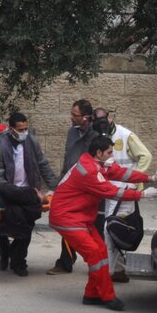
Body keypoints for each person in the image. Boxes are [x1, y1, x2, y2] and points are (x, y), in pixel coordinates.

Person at [49, 135, 157, 311]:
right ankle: (108, 296)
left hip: (81, 216)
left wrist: (149, 178)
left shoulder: (96, 163)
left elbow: (120, 172)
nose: (112, 156)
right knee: (95, 253)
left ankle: (91, 295)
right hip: (67, 217)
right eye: (109, 152)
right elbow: (112, 191)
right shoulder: (89, 171)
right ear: (99, 153)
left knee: (101, 251)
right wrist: (142, 195)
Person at [0, 112, 58, 276]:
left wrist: (54, 186)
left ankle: (19, 262)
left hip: (29, 192)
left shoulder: (31, 141)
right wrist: (11, 192)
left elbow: (42, 164)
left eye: (26, 128)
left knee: (25, 228)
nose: (24, 132)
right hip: (7, 192)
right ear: (11, 129)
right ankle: (5, 252)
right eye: (21, 130)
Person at [93, 107, 153, 283]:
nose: (102, 124)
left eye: (105, 120)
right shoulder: (100, 137)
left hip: (125, 190)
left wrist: (134, 180)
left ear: (111, 118)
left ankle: (110, 271)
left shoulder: (125, 135)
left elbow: (146, 156)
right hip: (109, 190)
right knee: (112, 228)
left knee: (110, 229)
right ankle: (117, 270)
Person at [47, 99, 99, 275]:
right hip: (70, 186)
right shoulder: (71, 132)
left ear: (86, 118)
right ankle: (66, 262)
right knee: (69, 223)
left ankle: (104, 261)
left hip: (88, 187)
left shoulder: (96, 134)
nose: (71, 117)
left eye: (75, 115)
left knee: (93, 225)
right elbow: (68, 157)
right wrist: (58, 184)